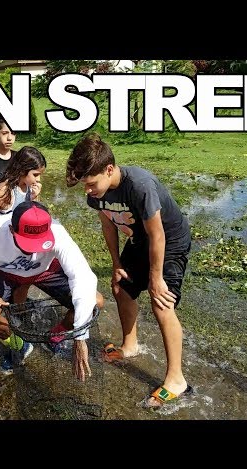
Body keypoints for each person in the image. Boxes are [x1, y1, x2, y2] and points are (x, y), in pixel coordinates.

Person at [66, 133, 193, 408]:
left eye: (90, 184)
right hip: (139, 240)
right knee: (121, 287)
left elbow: (158, 235)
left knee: (161, 302)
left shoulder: (139, 185)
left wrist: (156, 278)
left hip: (169, 240)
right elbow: (108, 224)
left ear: (109, 169)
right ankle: (130, 345)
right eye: (84, 185)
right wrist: (116, 263)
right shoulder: (97, 193)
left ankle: (176, 380)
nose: (87, 191)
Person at [0, 200, 104, 379]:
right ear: (11, 230)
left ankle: (55, 336)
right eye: (28, 244)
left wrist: (80, 336)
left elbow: (82, 277)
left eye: (40, 244)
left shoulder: (58, 231)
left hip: (44, 271)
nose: (34, 252)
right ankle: (20, 346)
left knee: (95, 302)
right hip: (5, 272)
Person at [0, 145, 46, 225]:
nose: (38, 179)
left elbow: (34, 216)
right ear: (22, 170)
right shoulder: (4, 190)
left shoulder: (30, 188)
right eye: (35, 175)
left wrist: (34, 197)